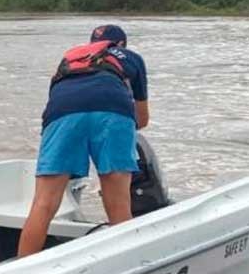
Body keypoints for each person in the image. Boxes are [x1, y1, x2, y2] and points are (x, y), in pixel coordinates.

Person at [18, 24, 150, 257]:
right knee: (119, 205)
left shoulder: (70, 59)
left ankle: (20, 271)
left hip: (61, 113)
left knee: (44, 204)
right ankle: (129, 265)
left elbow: (58, 96)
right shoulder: (131, 57)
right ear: (120, 45)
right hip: (112, 108)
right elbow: (142, 118)